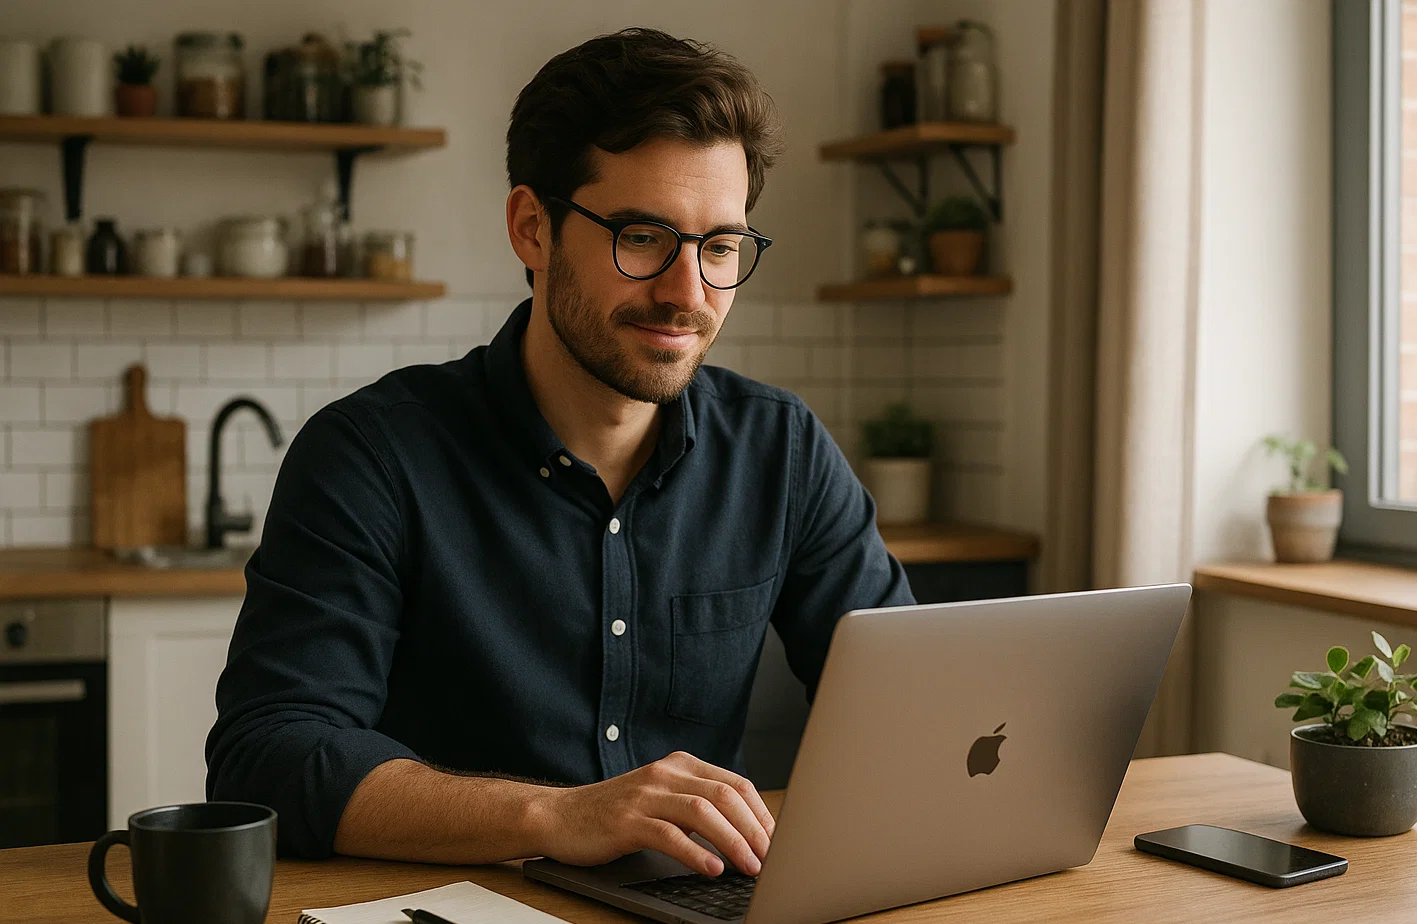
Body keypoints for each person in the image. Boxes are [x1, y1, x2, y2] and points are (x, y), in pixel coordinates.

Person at [206, 27, 912, 877]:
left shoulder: (781, 449)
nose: (687, 294)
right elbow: (268, 759)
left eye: (720, 247)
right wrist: (556, 815)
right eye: (643, 237)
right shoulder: (371, 456)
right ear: (532, 229)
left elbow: (906, 697)